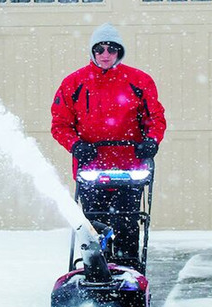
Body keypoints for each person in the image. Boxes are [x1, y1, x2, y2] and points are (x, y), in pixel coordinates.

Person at [51, 23, 167, 268]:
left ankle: (128, 267)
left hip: (130, 168)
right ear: (92, 52)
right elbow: (60, 124)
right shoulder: (74, 83)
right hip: (92, 167)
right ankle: (96, 266)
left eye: (111, 49)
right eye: (100, 49)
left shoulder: (139, 81)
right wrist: (76, 145)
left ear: (120, 52)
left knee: (127, 220)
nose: (105, 54)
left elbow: (155, 118)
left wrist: (151, 141)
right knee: (94, 221)